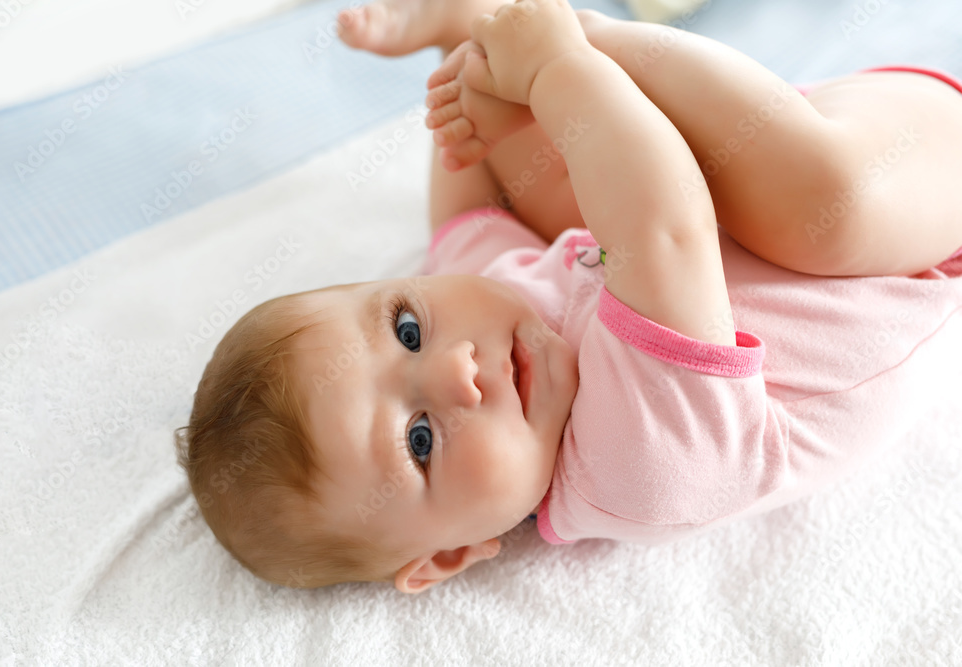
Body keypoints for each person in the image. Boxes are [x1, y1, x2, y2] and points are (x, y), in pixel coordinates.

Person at [174, 0, 962, 594]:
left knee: (518, 164)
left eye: (406, 327)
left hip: (750, 150)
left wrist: (464, 75)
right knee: (821, 211)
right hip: (907, 199)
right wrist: (555, 72)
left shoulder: (492, 311)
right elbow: (666, 228)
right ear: (448, 553)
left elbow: (464, 218)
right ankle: (580, 35)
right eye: (419, 441)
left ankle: (480, 23)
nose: (457, 372)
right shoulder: (634, 470)